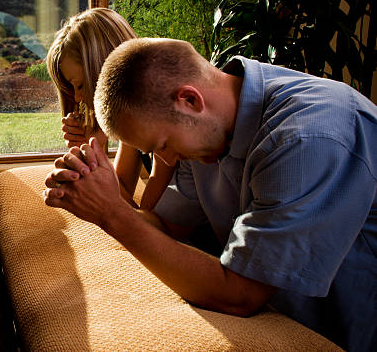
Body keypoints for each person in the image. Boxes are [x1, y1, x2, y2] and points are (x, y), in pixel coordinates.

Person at [43, 37, 377, 352]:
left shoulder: (306, 139)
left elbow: (240, 295)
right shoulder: (212, 128)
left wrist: (111, 214)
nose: (168, 161)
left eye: (164, 145)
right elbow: (170, 227)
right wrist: (99, 193)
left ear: (190, 100)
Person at [46, 8, 175, 210]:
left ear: (103, 72)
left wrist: (91, 165)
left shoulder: (160, 120)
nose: (78, 98)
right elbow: (121, 188)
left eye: (80, 85)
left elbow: (147, 222)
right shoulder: (133, 117)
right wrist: (91, 150)